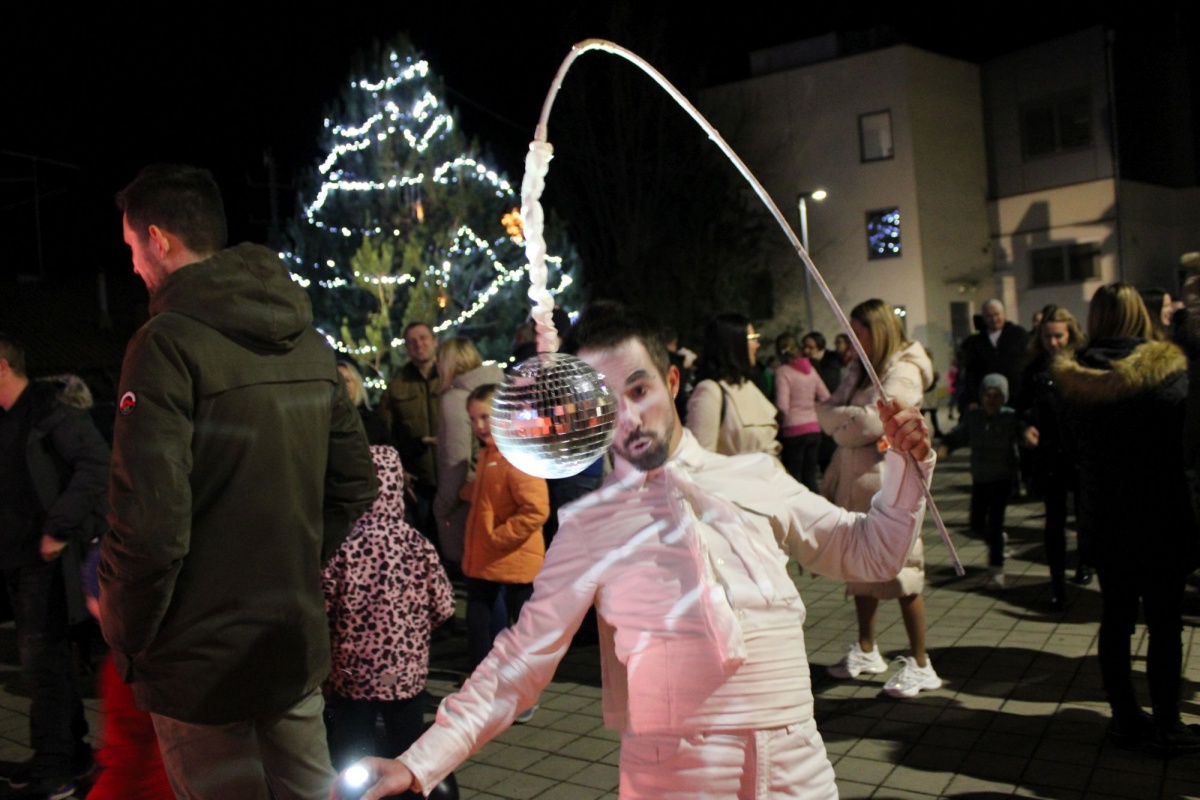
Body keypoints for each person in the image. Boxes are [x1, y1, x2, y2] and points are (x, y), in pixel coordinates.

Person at [336, 301, 935, 800]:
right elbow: (519, 661)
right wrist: (421, 761)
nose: (627, 415)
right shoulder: (591, 526)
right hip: (676, 774)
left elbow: (872, 553)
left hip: (799, 765)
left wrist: (906, 466)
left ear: (672, 382)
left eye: (640, 388)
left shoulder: (754, 476)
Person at [100, 163, 379, 799]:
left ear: (160, 239)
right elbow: (355, 483)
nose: (135, 267)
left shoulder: (165, 344)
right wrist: (292, 563)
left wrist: (127, 633)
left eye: (132, 248)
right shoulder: (308, 343)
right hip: (289, 644)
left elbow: (149, 525)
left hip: (202, 664)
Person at [1052, 283, 1200, 754]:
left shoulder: (1074, 378)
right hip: (1160, 510)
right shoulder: (1169, 373)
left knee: (1116, 619)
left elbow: (1070, 444)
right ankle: (1169, 724)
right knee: (1165, 622)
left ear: (1095, 319)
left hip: (1104, 511)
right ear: (1142, 315)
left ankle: (1124, 718)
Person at [0, 339, 107, 799]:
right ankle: (71, 754)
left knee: (44, 666)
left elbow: (96, 464)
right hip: (20, 561)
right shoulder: (12, 417)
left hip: (44, 563)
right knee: (47, 664)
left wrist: (58, 528)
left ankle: (55, 768)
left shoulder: (47, 410)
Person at [818, 299, 939, 699]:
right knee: (861, 570)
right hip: (855, 485)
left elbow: (873, 420)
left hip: (892, 485)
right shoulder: (857, 368)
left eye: (859, 330)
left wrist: (843, 421)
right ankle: (868, 648)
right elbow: (831, 411)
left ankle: (921, 662)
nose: (852, 338)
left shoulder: (904, 369)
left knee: (905, 572)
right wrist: (846, 421)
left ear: (879, 329)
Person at [322, 445, 455, 774]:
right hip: (405, 670)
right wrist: (416, 632)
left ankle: (357, 792)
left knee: (353, 743)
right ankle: (407, 790)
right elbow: (444, 604)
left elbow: (323, 605)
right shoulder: (416, 543)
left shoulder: (342, 545)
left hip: (351, 671)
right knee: (407, 746)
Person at [460, 384, 549, 677]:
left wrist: (499, 536)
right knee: (479, 620)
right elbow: (498, 498)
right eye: (473, 419)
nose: (479, 426)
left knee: (518, 627)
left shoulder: (516, 453)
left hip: (512, 556)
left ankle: (520, 691)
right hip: (489, 555)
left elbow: (536, 508)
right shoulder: (491, 452)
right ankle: (483, 684)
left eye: (485, 417)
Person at [1015, 305, 1089, 608]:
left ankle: (1085, 562)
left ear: (1070, 334)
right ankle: (1057, 581)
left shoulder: (1083, 363)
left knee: (1085, 514)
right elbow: (1018, 408)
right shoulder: (1034, 368)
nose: (1053, 343)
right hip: (1049, 452)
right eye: (1047, 337)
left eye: (1058, 336)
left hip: (1080, 451)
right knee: (1054, 519)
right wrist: (1024, 428)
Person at [937, 374, 1033, 590]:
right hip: (980, 477)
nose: (991, 399)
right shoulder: (974, 418)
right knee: (976, 524)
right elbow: (957, 435)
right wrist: (944, 448)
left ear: (1004, 398)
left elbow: (1024, 432)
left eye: (997, 395)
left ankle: (996, 569)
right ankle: (997, 539)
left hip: (1003, 478)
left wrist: (1028, 437)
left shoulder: (1010, 418)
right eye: (987, 395)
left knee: (996, 521)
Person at [432, 338, 505, 568]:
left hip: (468, 501)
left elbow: (457, 459)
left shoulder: (455, 400)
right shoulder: (501, 389)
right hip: (503, 492)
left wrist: (442, 507)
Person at [687, 313, 780, 457]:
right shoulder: (710, 391)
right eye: (752, 338)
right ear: (734, 343)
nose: (757, 344)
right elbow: (700, 460)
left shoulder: (748, 385)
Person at [378, 322, 441, 537]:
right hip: (420, 484)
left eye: (423, 338)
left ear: (435, 341)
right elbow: (386, 435)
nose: (418, 345)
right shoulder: (396, 388)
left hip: (456, 479)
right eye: (412, 341)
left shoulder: (452, 379)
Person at [773, 332, 830, 492]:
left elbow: (783, 405)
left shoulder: (782, 372)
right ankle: (819, 511)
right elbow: (825, 396)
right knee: (810, 477)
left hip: (793, 432)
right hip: (813, 429)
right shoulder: (810, 369)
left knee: (794, 479)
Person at [959, 299, 1029, 411]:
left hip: (1016, 397)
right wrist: (972, 399)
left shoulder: (1018, 334)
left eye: (997, 314)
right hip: (987, 401)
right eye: (989, 316)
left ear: (1004, 314)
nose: (994, 319)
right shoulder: (975, 341)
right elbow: (971, 372)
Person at [338, 360, 392, 446]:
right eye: (339, 382)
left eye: (347, 380)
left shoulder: (373, 421)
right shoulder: (328, 422)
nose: (343, 386)